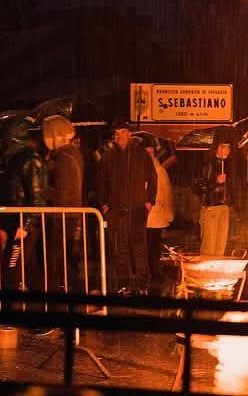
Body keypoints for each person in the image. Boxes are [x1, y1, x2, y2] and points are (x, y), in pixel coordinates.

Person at [96, 119, 156, 295]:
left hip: (137, 208)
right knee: (119, 249)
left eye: (121, 132)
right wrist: (104, 204)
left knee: (139, 249)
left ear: (129, 134)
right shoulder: (108, 156)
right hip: (116, 210)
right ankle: (124, 283)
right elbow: (101, 182)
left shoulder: (141, 154)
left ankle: (142, 284)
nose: (118, 136)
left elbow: (152, 178)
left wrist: (150, 200)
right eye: (116, 133)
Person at [0, 117, 48, 292]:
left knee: (12, 268)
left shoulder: (30, 159)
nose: (0, 141)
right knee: (29, 270)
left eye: (2, 135)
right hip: (18, 222)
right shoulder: (15, 159)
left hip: (25, 224)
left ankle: (8, 311)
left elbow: (37, 197)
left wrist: (25, 224)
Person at [42, 115, 84, 292]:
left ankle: (58, 300)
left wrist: (41, 190)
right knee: (63, 259)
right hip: (69, 214)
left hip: (60, 215)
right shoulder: (71, 153)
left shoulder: (64, 157)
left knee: (55, 260)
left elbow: (63, 194)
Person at [142, 136, 174, 296]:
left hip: (155, 216)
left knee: (152, 247)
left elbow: (166, 194)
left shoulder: (158, 171)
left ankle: (154, 273)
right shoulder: (147, 170)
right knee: (149, 246)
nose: (148, 155)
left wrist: (168, 214)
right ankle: (152, 273)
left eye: (150, 153)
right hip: (149, 216)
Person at [197, 138, 234, 256]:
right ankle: (206, 272)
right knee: (209, 247)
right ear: (216, 148)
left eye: (228, 147)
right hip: (211, 208)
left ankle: (216, 272)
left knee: (220, 247)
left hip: (224, 207)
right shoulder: (208, 164)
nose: (226, 150)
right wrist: (215, 181)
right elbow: (199, 187)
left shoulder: (228, 165)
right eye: (223, 146)